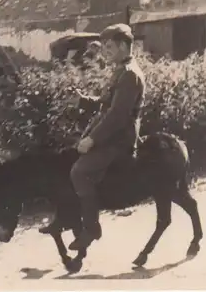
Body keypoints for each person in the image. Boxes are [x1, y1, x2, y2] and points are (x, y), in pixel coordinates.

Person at [68, 23, 146, 251]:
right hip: (112, 133)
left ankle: (91, 228)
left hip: (119, 139)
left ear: (123, 46)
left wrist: (92, 140)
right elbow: (107, 104)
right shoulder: (121, 70)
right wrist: (83, 100)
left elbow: (117, 115)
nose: (105, 51)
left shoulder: (130, 75)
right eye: (104, 46)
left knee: (79, 172)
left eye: (109, 46)